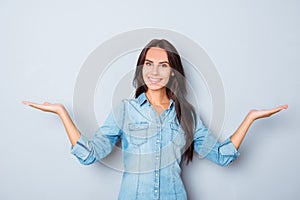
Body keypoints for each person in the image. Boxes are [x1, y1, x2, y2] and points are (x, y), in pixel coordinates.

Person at [22, 39, 288, 200]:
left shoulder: (188, 114)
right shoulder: (125, 110)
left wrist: (251, 118)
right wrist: (61, 113)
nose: (154, 71)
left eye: (163, 65)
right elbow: (90, 154)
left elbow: (222, 156)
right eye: (148, 63)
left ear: (173, 72)